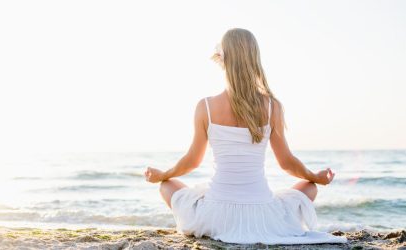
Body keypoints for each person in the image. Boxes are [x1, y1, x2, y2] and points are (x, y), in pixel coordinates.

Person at [144, 28, 348, 245]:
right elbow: (286, 163)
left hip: (215, 215)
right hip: (262, 215)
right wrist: (315, 177)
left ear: (222, 59)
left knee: (167, 185)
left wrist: (162, 174)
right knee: (309, 188)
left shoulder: (206, 107)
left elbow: (192, 161)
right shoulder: (272, 106)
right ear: (254, 59)